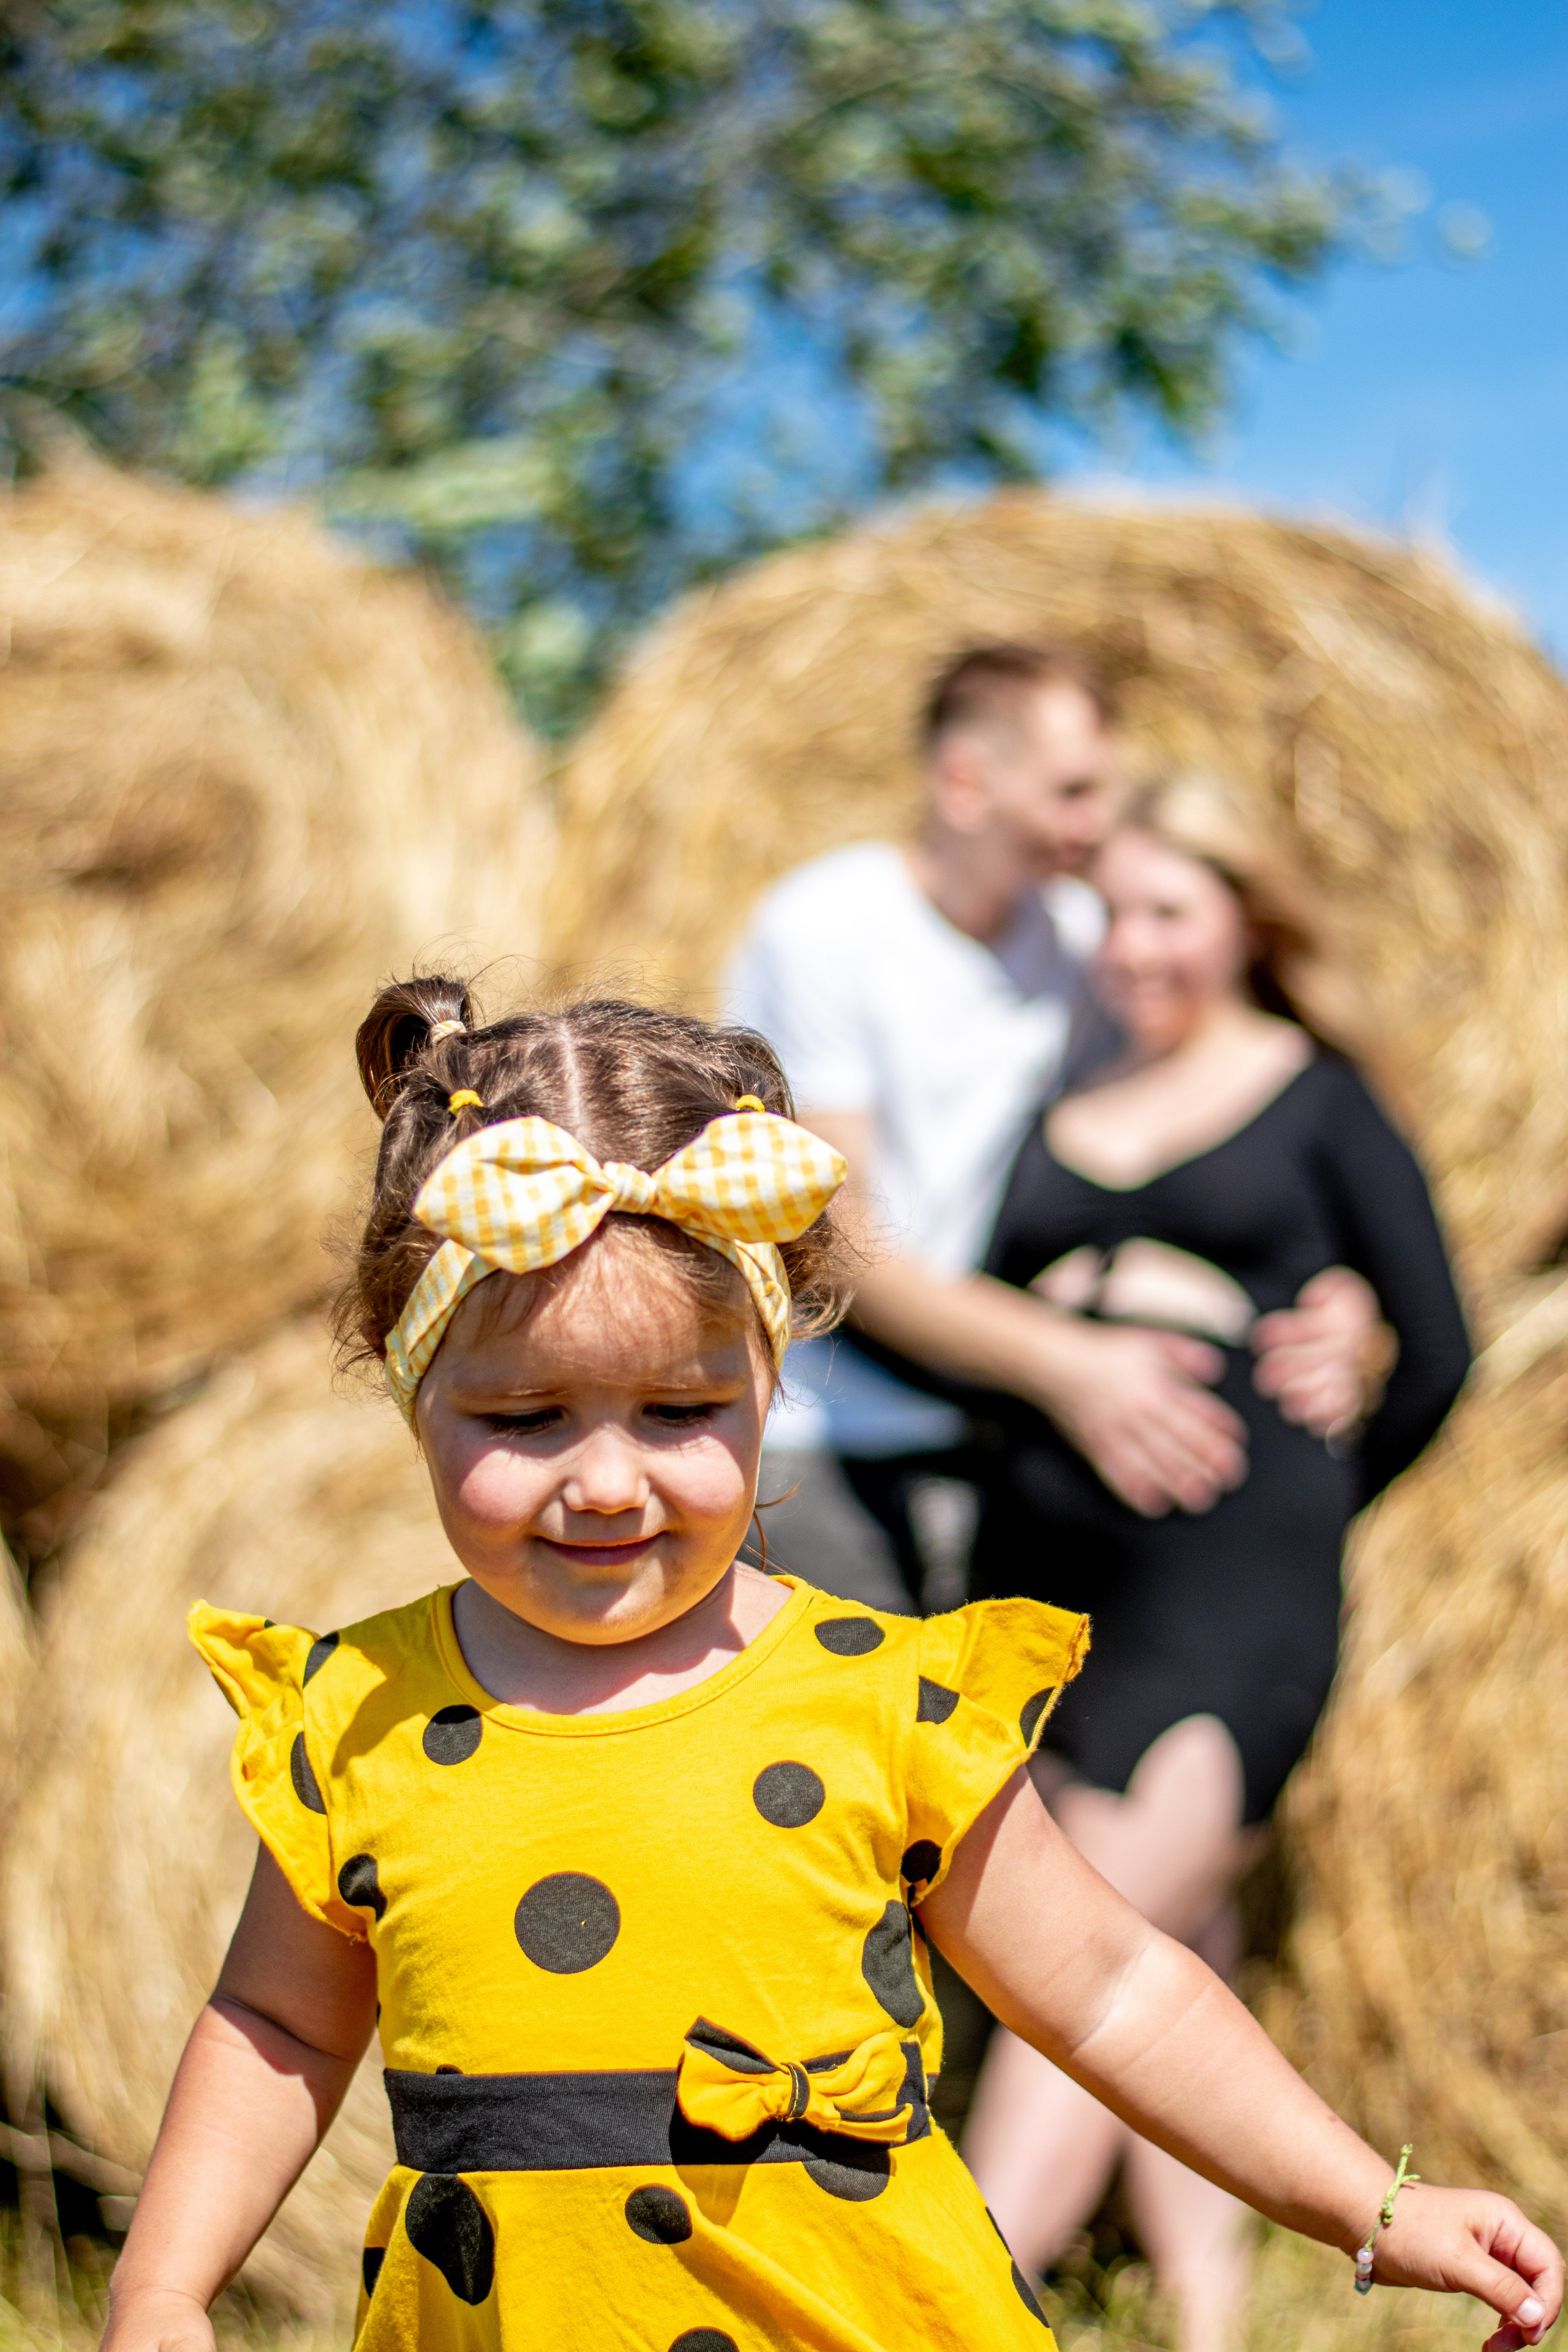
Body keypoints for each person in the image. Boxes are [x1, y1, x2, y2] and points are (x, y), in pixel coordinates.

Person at [99, 984, 1551, 2352]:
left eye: (680, 1410)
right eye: (526, 1418)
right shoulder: (357, 1719)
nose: (606, 1481)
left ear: (768, 1385)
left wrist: (1372, 2202)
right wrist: (165, 2286)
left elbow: (1112, 1992)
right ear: (414, 1394)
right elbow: (278, 2023)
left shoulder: (883, 1700)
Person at [952, 776, 1472, 2349]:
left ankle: (963, 2301)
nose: (1130, 948)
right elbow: (990, 1329)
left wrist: (1316, 1477)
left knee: (1084, 1947)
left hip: (1232, 1586)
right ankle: (1206, 2317)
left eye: (1168, 911)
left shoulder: (1312, 1092)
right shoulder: (1057, 1089)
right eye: (1106, 915)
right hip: (1051, 1582)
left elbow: (1435, 1344)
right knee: (1168, 1933)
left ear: (1247, 918)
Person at [727, 643, 1381, 1610]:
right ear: (965, 783)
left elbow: (1184, 1136)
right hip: (827, 1437)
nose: (1098, 825)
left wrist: (1339, 1299)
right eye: (1072, 792)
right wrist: (1071, 1366)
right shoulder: (826, 926)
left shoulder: (1082, 940)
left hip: (1001, 1432)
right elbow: (835, 1237)